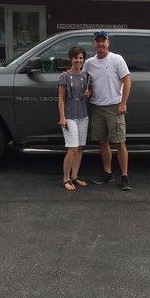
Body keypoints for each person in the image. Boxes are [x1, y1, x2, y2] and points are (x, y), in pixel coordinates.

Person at [84, 30, 133, 191]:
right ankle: (108, 173)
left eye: (103, 41)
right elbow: (87, 83)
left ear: (108, 43)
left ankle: (124, 177)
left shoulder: (116, 59)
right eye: (97, 41)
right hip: (97, 107)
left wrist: (123, 103)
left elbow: (127, 81)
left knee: (119, 142)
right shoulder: (89, 63)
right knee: (102, 142)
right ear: (94, 44)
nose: (100, 44)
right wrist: (88, 92)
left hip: (114, 107)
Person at [57, 46, 91, 191]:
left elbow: (87, 94)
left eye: (81, 58)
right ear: (71, 59)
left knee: (80, 148)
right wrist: (62, 117)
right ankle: (66, 178)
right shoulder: (64, 76)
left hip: (83, 116)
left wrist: (87, 94)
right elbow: (61, 98)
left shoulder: (86, 76)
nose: (78, 60)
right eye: (76, 57)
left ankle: (75, 176)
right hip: (69, 117)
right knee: (72, 149)